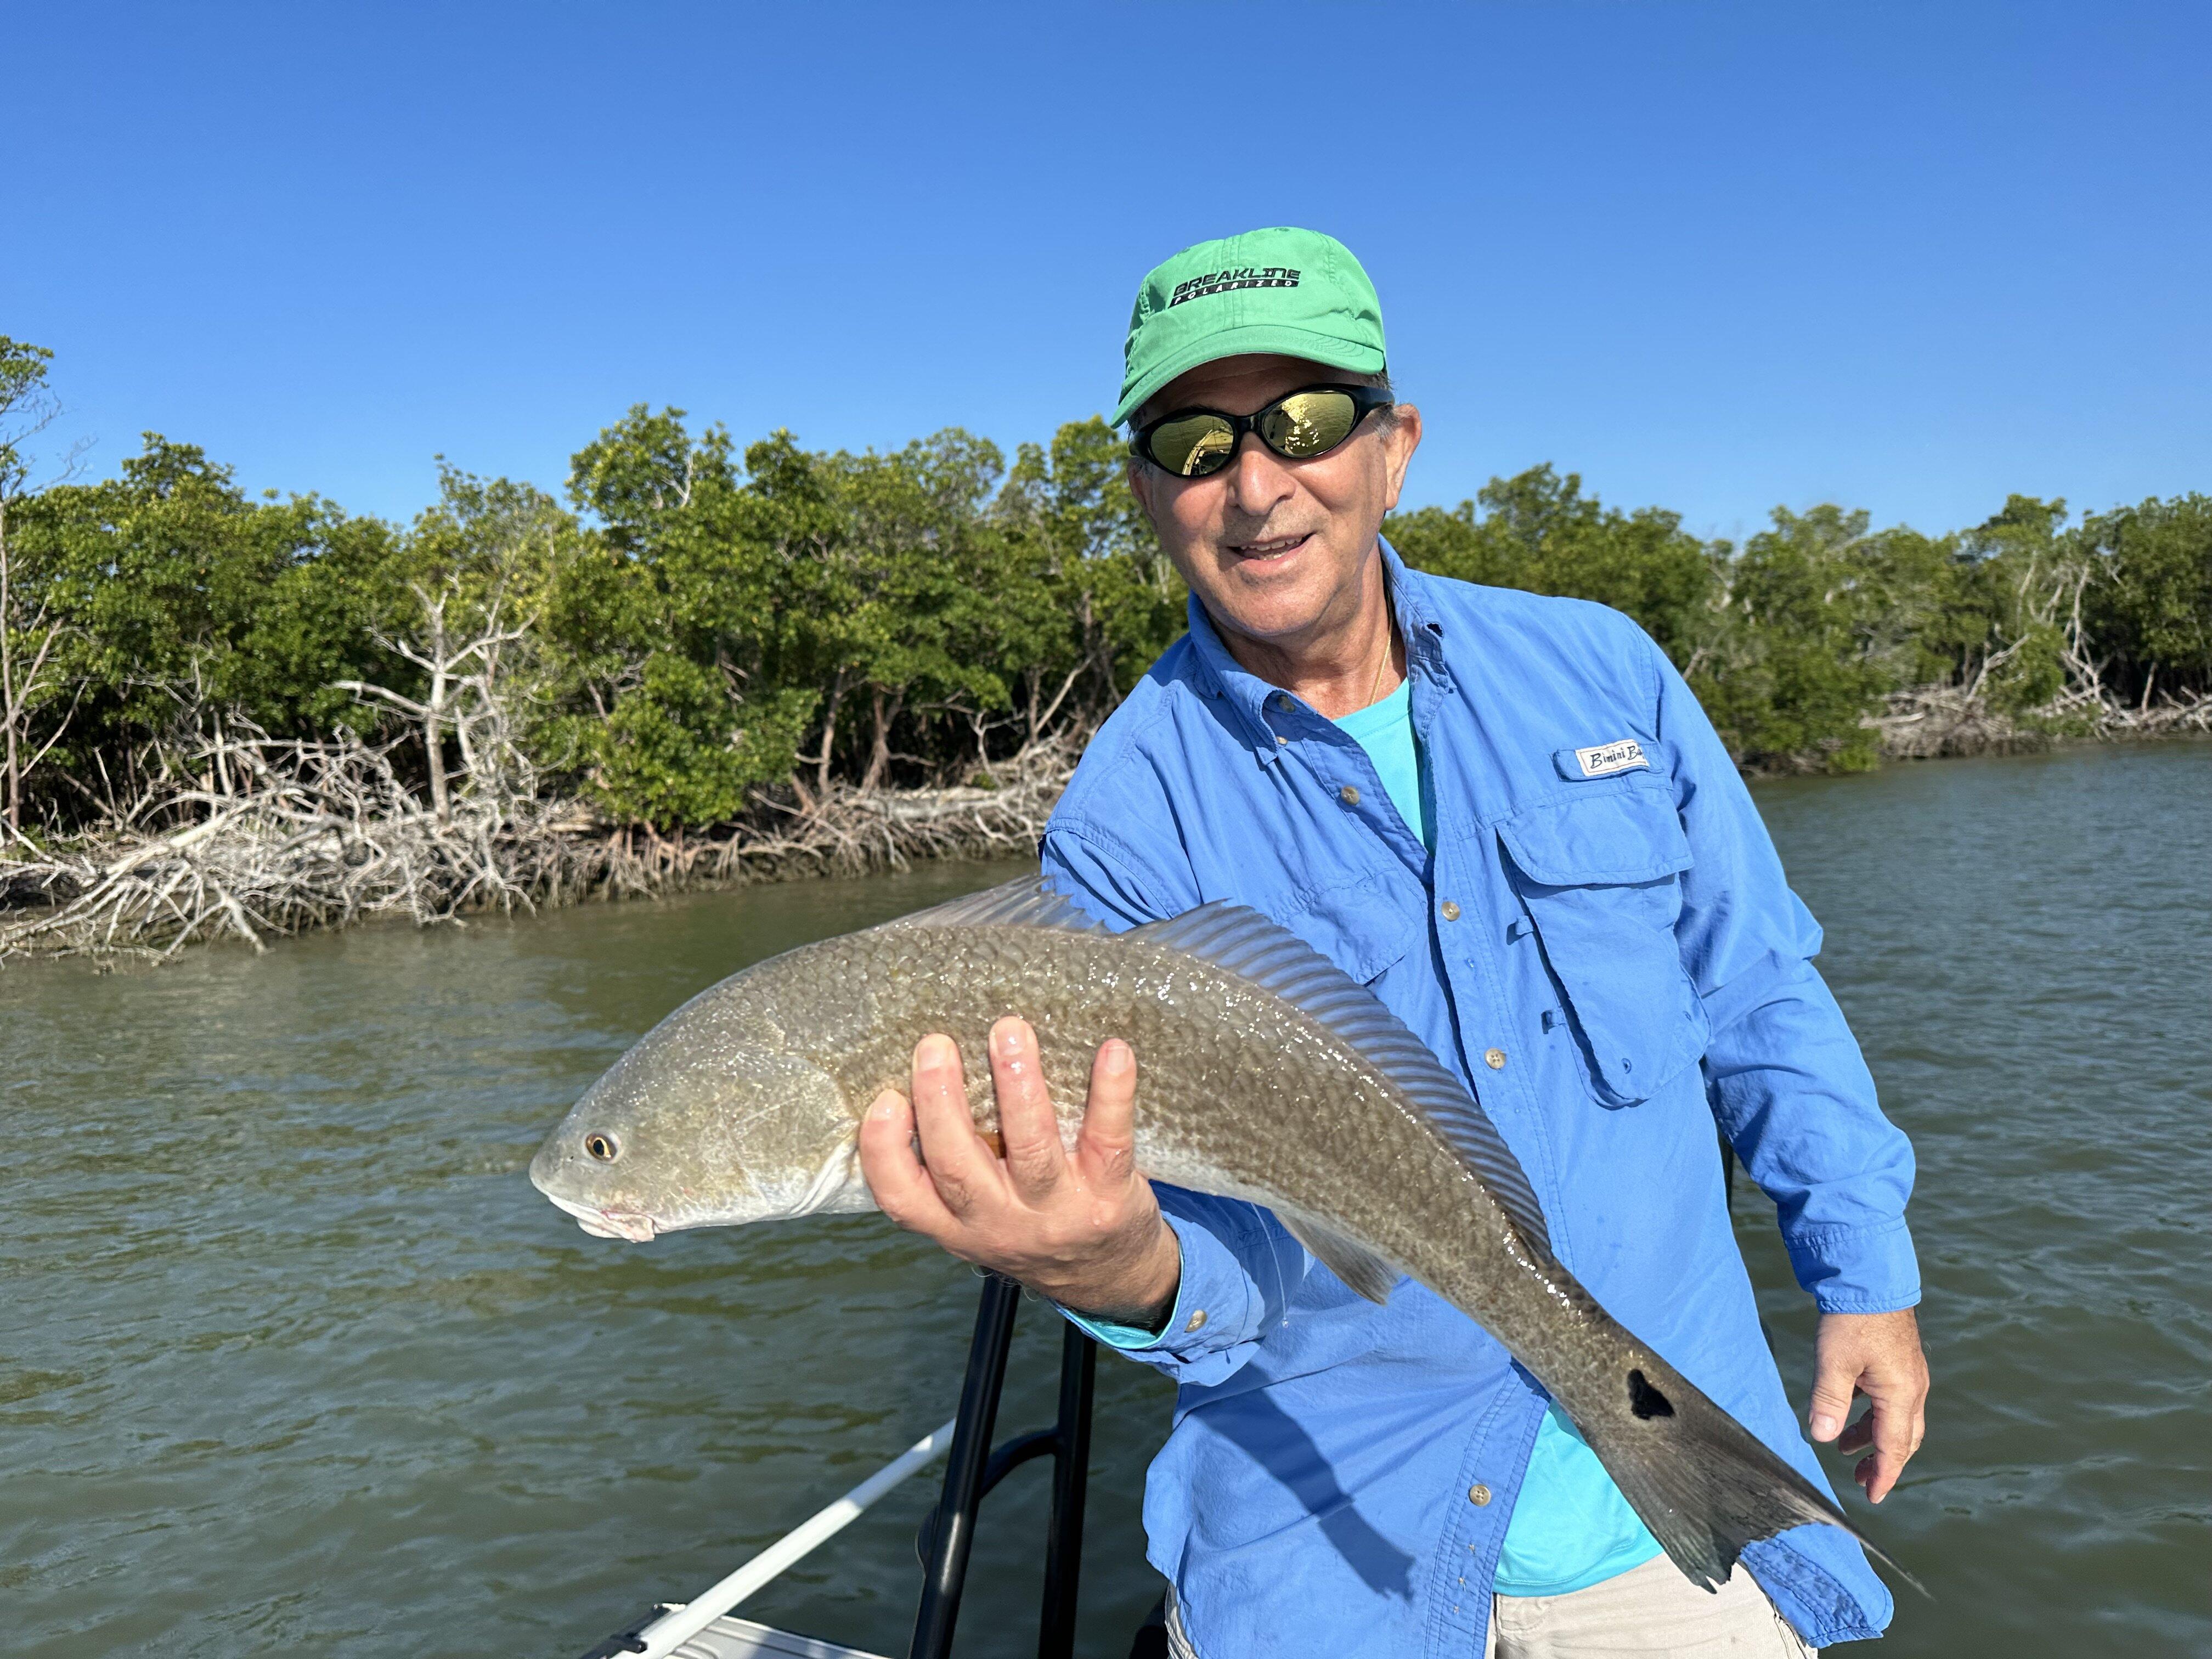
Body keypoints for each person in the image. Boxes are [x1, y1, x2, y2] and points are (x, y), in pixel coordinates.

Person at [857, 228, 1929, 1657]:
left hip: (1670, 1504)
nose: (1252, 484)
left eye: (1299, 421)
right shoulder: (1123, 821)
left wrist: (1862, 1271)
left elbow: (1757, 994)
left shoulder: (1605, 671)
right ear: (1142, 487)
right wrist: (1126, 1277)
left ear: (1393, 445)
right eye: (1191, 438)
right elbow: (1229, 1262)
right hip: (1326, 1565)